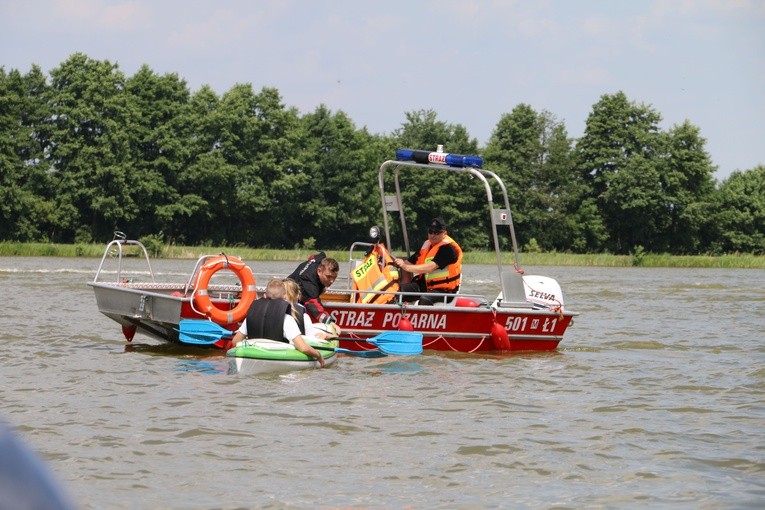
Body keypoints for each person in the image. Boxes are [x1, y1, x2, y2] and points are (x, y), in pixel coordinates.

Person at [230, 279, 325, 367]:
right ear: (284, 296)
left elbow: (235, 342)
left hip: (252, 355)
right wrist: (318, 354)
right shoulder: (287, 319)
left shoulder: (251, 315)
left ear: (265, 295)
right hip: (275, 357)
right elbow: (303, 348)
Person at [393, 217, 463, 305]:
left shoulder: (448, 249)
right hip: (424, 286)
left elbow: (430, 267)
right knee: (397, 291)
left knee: (425, 298)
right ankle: (391, 315)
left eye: (437, 232)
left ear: (444, 233)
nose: (432, 235)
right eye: (430, 232)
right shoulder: (426, 245)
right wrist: (396, 263)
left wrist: (405, 266)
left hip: (444, 291)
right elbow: (409, 262)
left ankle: (421, 318)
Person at [287, 252, 343, 334]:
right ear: (319, 271)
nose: (331, 281)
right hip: (288, 295)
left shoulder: (320, 259)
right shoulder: (309, 283)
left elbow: (315, 256)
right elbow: (315, 307)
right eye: (328, 277)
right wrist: (330, 322)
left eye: (334, 277)